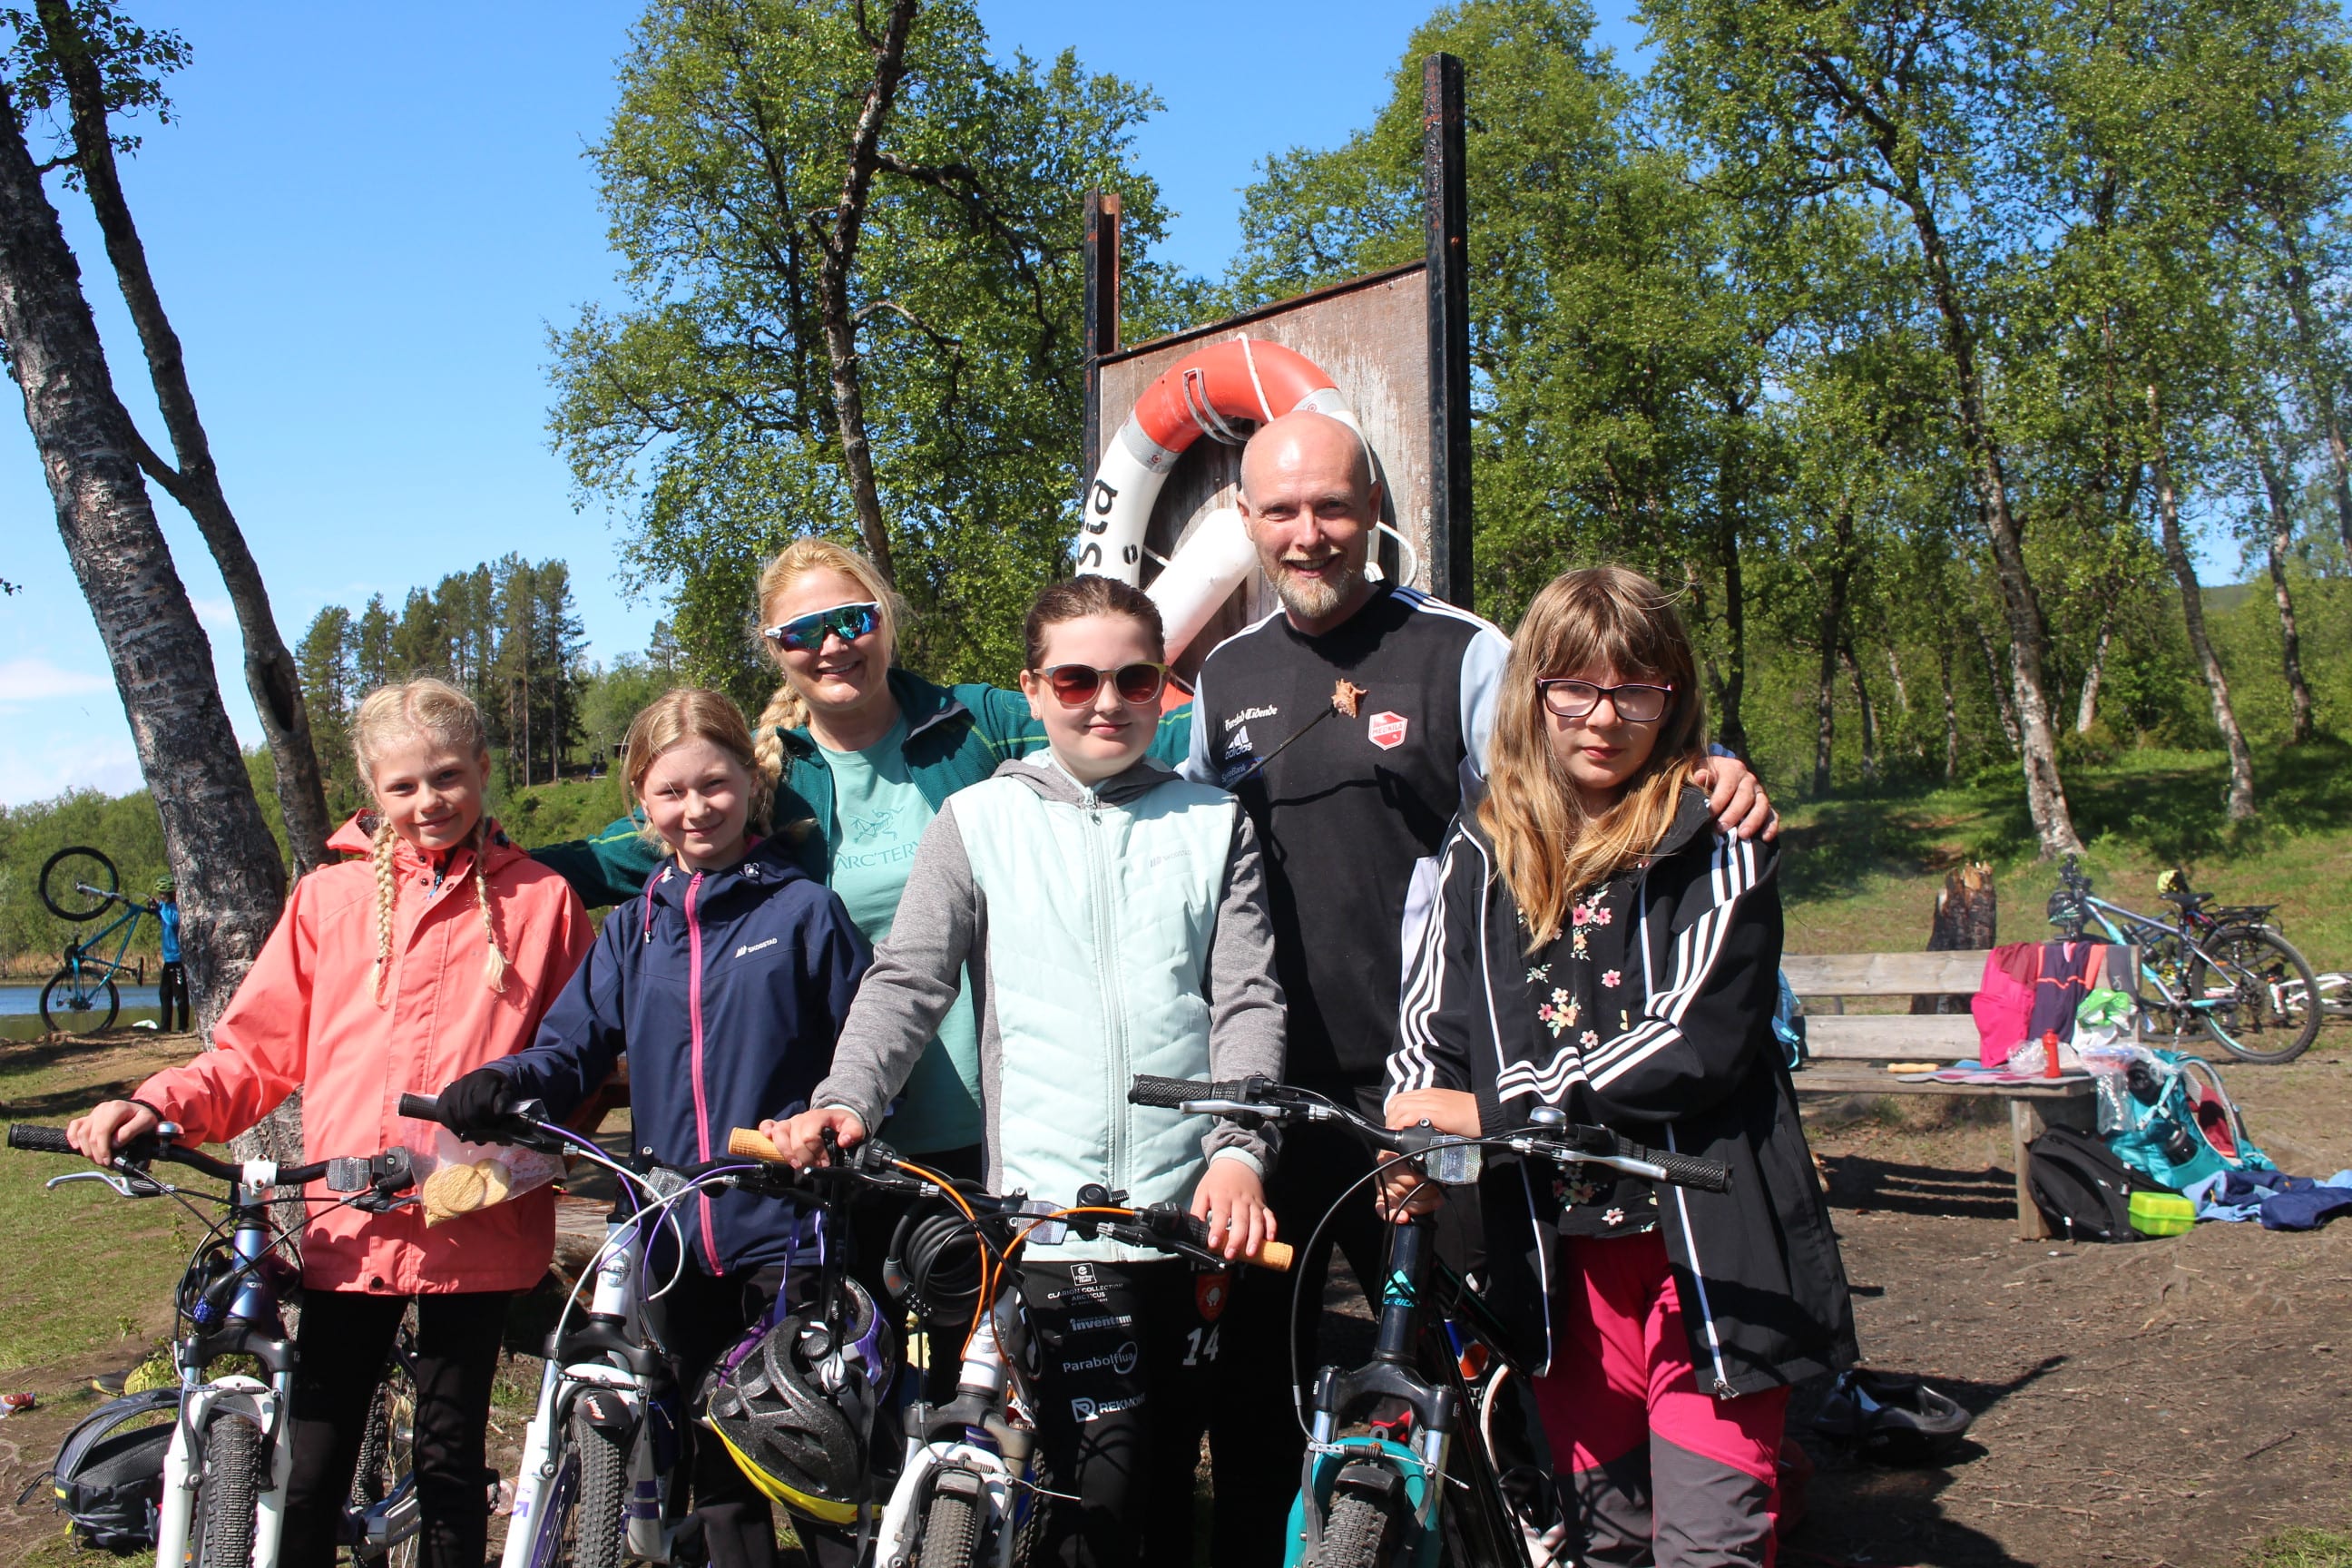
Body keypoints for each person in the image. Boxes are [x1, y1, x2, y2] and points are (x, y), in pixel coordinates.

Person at [1182, 409, 1777, 1560]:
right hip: (1276, 1094)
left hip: (1444, 1094)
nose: (1309, 533)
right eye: (1283, 510)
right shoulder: (1224, 676)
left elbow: (1583, 753)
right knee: (1260, 1389)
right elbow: (1180, 843)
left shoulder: (1460, 651)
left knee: (1478, 1378)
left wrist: (1709, 765)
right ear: (1246, 520)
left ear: (1374, 509)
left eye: (1333, 506)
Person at [765, 576, 1286, 1568]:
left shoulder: (1215, 821)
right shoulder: (976, 820)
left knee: (1168, 1487)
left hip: (1195, 1210)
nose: (1108, 702)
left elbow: (1247, 1001)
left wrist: (1241, 1151)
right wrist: (847, 1099)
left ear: (1162, 686)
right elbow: (909, 980)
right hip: (1049, 1217)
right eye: (1077, 679)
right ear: (1034, 690)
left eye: (1136, 680)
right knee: (1094, 1497)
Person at [1382, 567, 1856, 1567]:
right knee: (1606, 1543)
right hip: (1558, 1260)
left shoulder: (1716, 830)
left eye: (1636, 690)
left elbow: (1695, 1037)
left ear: (1672, 698)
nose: (1604, 718)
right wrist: (1410, 1134)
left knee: (1710, 1545)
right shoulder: (1482, 843)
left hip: (1708, 1252)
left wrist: (1497, 1114)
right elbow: (1433, 1020)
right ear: (1533, 692)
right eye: (1576, 689)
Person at [66, 678, 593, 1568]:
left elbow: (577, 1059)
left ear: (483, 770)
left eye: (448, 776)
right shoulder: (329, 900)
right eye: (404, 785)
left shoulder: (542, 900)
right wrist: (158, 1105)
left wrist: (533, 1143)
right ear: (371, 790)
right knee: (310, 1468)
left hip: (479, 1221)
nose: (429, 800)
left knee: (451, 1465)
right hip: (350, 1222)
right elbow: (254, 1054)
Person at [531, 538, 1186, 1180]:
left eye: (853, 620)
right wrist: (488, 857)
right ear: (775, 649)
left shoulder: (972, 725)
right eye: (802, 632)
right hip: (847, 1129)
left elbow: (1138, 725)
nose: (832, 645)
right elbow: (614, 852)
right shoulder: (758, 780)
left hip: (1010, 1119)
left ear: (886, 618)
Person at [439, 688, 869, 1568]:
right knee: (717, 1478)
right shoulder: (633, 930)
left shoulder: (804, 913)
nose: (695, 808)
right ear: (641, 800)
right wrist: (501, 1081)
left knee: (818, 1466)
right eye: (670, 792)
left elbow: (868, 1058)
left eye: (714, 785)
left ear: (750, 783)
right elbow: (570, 1048)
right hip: (670, 1237)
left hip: (790, 1232)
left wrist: (832, 1129)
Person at [152, 877, 188, 1032]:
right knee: (164, 993)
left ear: (171, 894)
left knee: (180, 995)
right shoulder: (165, 908)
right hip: (168, 958)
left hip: (178, 958)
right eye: (160, 894)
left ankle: (182, 1027)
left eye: (164, 894)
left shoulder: (176, 908)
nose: (161, 897)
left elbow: (173, 921)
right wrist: (155, 909)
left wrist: (161, 907)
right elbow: (162, 918)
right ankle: (165, 1026)